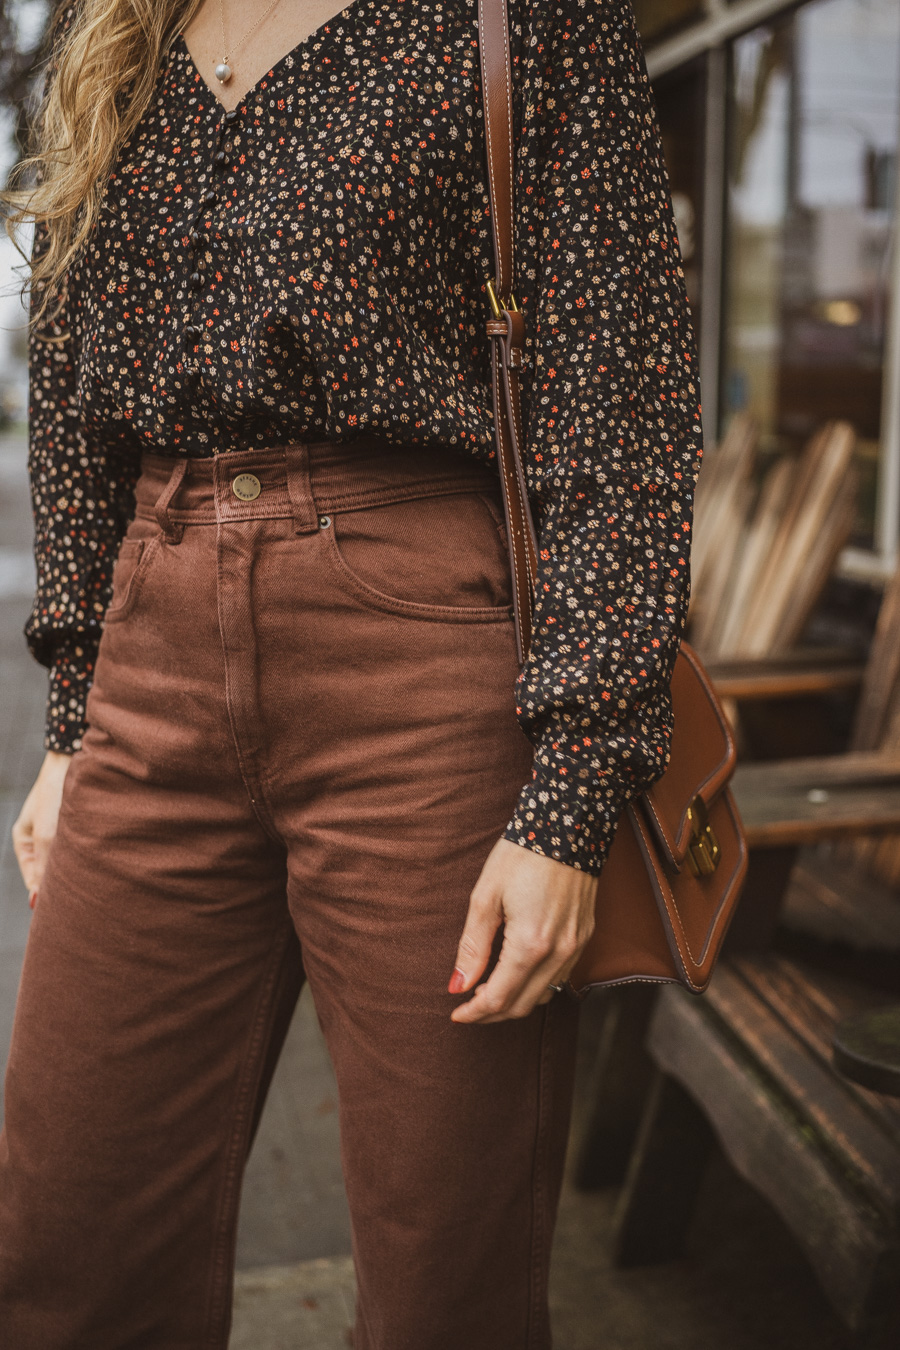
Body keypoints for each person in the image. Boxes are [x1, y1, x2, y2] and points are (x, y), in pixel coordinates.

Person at [0, 0, 701, 1345]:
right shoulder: (123, 28)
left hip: (423, 663)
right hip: (154, 649)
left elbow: (625, 405)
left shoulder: (521, 19)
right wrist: (71, 721)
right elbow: (77, 386)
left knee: (449, 1270)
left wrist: (570, 797)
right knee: (67, 1240)